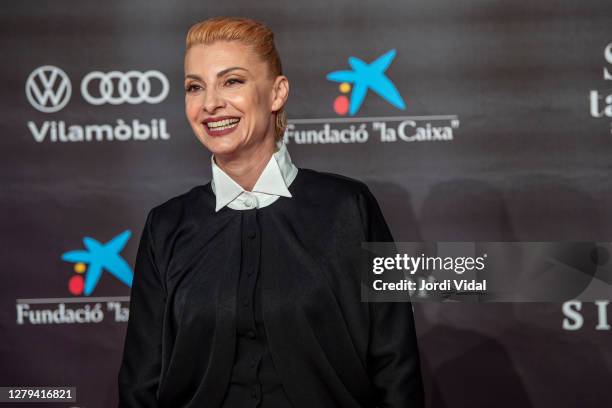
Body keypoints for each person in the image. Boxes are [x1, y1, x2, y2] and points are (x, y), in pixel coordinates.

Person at [118, 16, 424, 408]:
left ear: (277, 93)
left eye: (232, 81)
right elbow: (140, 383)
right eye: (195, 87)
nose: (210, 103)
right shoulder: (166, 226)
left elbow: (396, 363)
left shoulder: (349, 208)